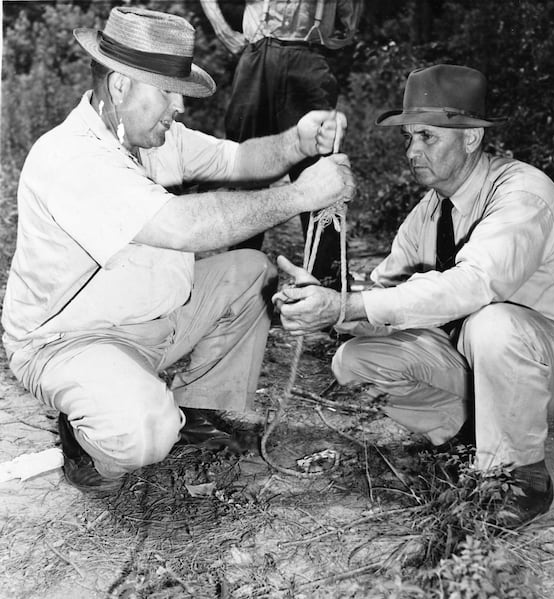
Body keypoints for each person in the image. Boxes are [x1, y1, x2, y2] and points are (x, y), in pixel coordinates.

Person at [1, 6, 355, 495]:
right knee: (144, 431)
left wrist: (297, 141)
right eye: (168, 92)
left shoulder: (155, 138)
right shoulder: (71, 157)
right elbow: (183, 226)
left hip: (154, 320)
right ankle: (86, 446)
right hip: (72, 340)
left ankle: (200, 411)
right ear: (120, 86)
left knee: (253, 272)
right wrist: (299, 195)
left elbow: (240, 159)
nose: (180, 107)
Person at [274, 64, 554, 526]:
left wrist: (350, 304)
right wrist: (325, 304)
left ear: (470, 137)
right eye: (409, 137)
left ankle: (520, 476)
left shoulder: (523, 194)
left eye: (427, 137)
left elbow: (474, 284)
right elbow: (383, 298)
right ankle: (466, 435)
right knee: (355, 359)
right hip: (478, 356)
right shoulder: (426, 215)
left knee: (494, 324)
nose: (412, 151)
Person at [199, 0, 363, 286]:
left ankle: (329, 286)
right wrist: (223, 29)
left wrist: (345, 29)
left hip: (308, 57)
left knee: (320, 169)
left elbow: (349, 14)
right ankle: (240, 284)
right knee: (246, 170)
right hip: (258, 57)